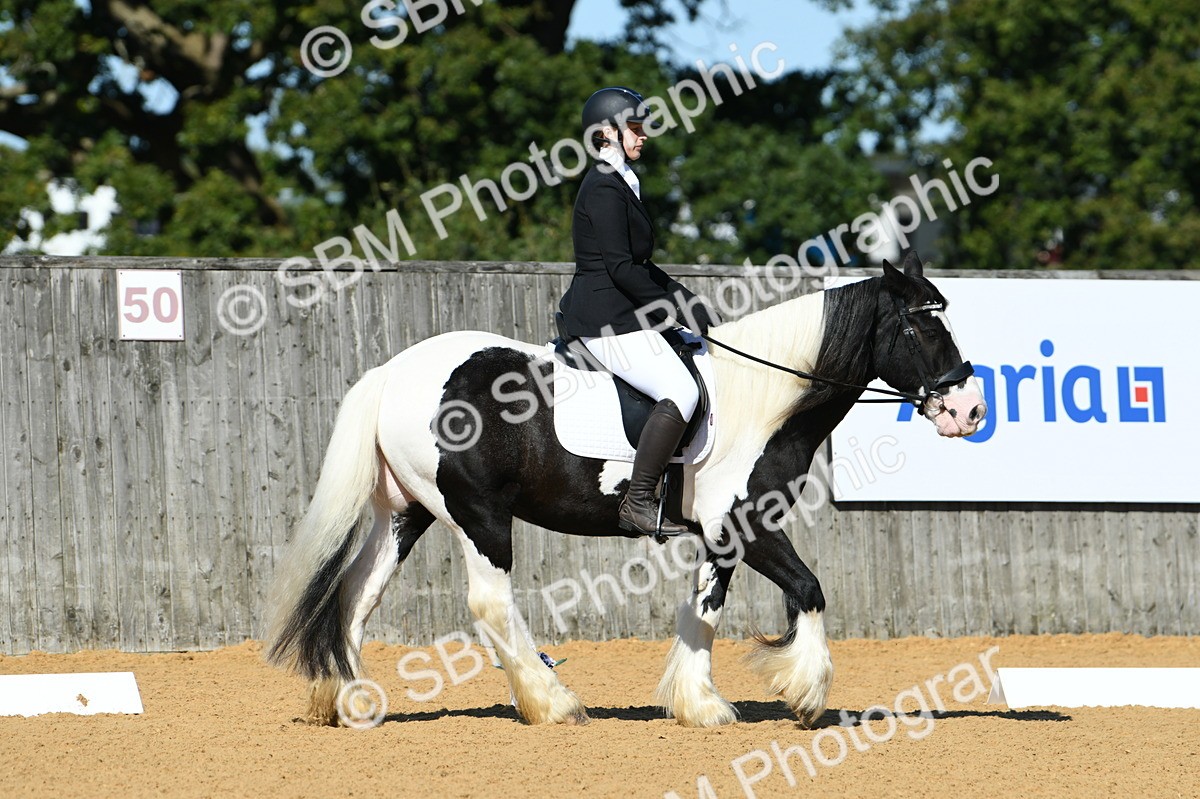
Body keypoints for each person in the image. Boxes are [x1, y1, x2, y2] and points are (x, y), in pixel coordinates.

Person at [558, 86, 718, 537]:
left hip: (623, 314)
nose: (644, 135)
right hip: (602, 320)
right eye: (635, 127)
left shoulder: (622, 181)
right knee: (681, 391)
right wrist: (672, 307)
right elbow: (621, 268)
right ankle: (639, 501)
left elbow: (640, 263)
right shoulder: (603, 187)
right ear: (607, 132)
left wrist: (685, 298)